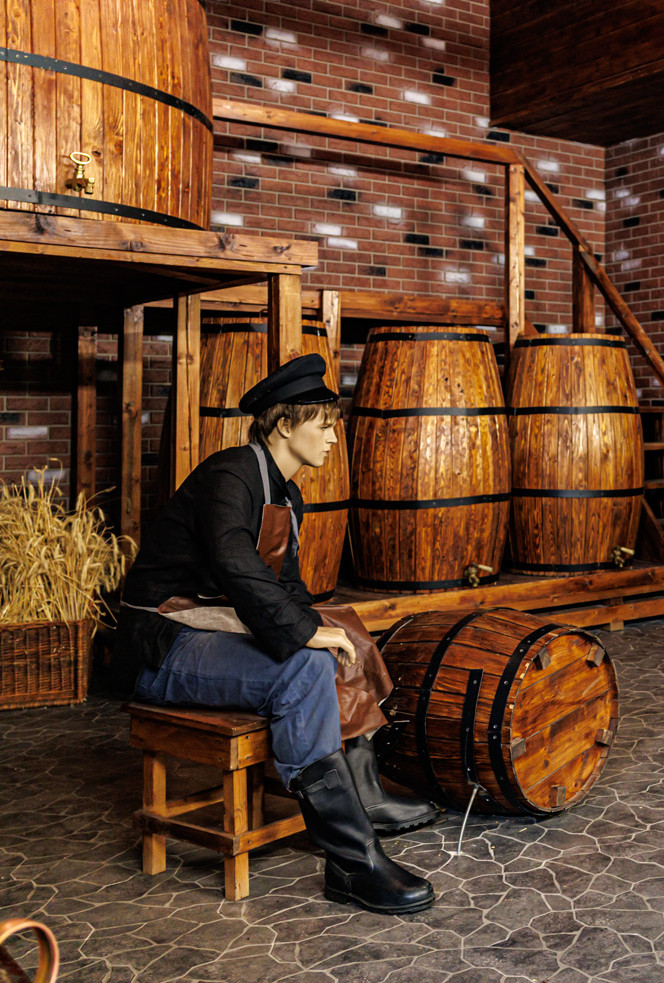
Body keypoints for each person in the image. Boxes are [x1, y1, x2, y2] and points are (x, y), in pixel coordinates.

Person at [116, 354, 439, 913]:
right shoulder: (229, 475)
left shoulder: (286, 495)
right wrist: (305, 635)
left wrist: (326, 629)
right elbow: (235, 564)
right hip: (163, 642)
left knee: (345, 629)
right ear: (285, 424)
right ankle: (352, 859)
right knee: (305, 664)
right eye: (325, 425)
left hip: (211, 628)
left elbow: (287, 589)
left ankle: (362, 793)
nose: (333, 438)